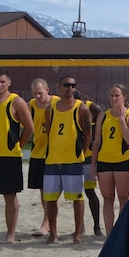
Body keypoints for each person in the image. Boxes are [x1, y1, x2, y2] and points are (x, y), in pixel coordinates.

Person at [0, 68, 35, 244]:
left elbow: (30, 128)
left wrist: (17, 145)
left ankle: (11, 234)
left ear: (9, 82)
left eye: (3, 81)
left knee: (10, 196)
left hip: (9, 157)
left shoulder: (16, 101)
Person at [44, 77, 92, 244]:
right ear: (59, 87)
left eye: (73, 85)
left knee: (77, 198)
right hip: (52, 160)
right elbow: (49, 132)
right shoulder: (50, 109)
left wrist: (82, 152)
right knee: (50, 198)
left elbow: (88, 134)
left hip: (73, 160)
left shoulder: (81, 108)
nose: (70, 88)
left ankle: (78, 232)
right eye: (66, 85)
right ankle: (53, 234)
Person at [91, 84, 129, 235]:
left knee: (123, 198)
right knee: (108, 198)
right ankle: (110, 233)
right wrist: (93, 165)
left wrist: (122, 119)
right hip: (104, 161)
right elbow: (97, 141)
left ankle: (122, 232)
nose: (114, 98)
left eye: (117, 95)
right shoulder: (103, 116)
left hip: (123, 161)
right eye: (112, 95)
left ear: (124, 97)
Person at [27, 78, 56, 237]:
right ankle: (46, 222)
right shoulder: (30, 105)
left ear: (47, 90)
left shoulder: (58, 103)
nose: (38, 96)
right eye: (35, 93)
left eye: (40, 92)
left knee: (57, 191)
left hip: (56, 153)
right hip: (38, 153)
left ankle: (79, 227)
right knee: (44, 191)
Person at [78, 91, 104, 236]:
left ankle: (96, 226)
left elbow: (102, 127)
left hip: (88, 156)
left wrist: (97, 145)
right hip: (73, 156)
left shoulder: (91, 107)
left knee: (90, 192)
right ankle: (79, 227)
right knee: (77, 194)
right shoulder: (61, 107)